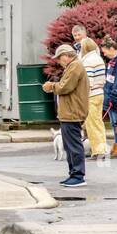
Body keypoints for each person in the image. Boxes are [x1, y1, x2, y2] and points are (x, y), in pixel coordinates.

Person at [44, 44, 88, 187]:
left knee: (74, 145)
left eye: (60, 58)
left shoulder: (75, 66)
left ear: (67, 55)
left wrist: (51, 86)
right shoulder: (73, 66)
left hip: (72, 112)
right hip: (69, 112)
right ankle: (73, 174)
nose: (59, 61)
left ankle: (78, 175)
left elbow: (65, 87)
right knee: (69, 146)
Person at [80, 37, 108, 159]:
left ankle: (97, 151)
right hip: (100, 94)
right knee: (99, 123)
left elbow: (88, 82)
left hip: (91, 96)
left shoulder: (87, 61)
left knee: (91, 125)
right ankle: (102, 148)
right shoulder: (99, 59)